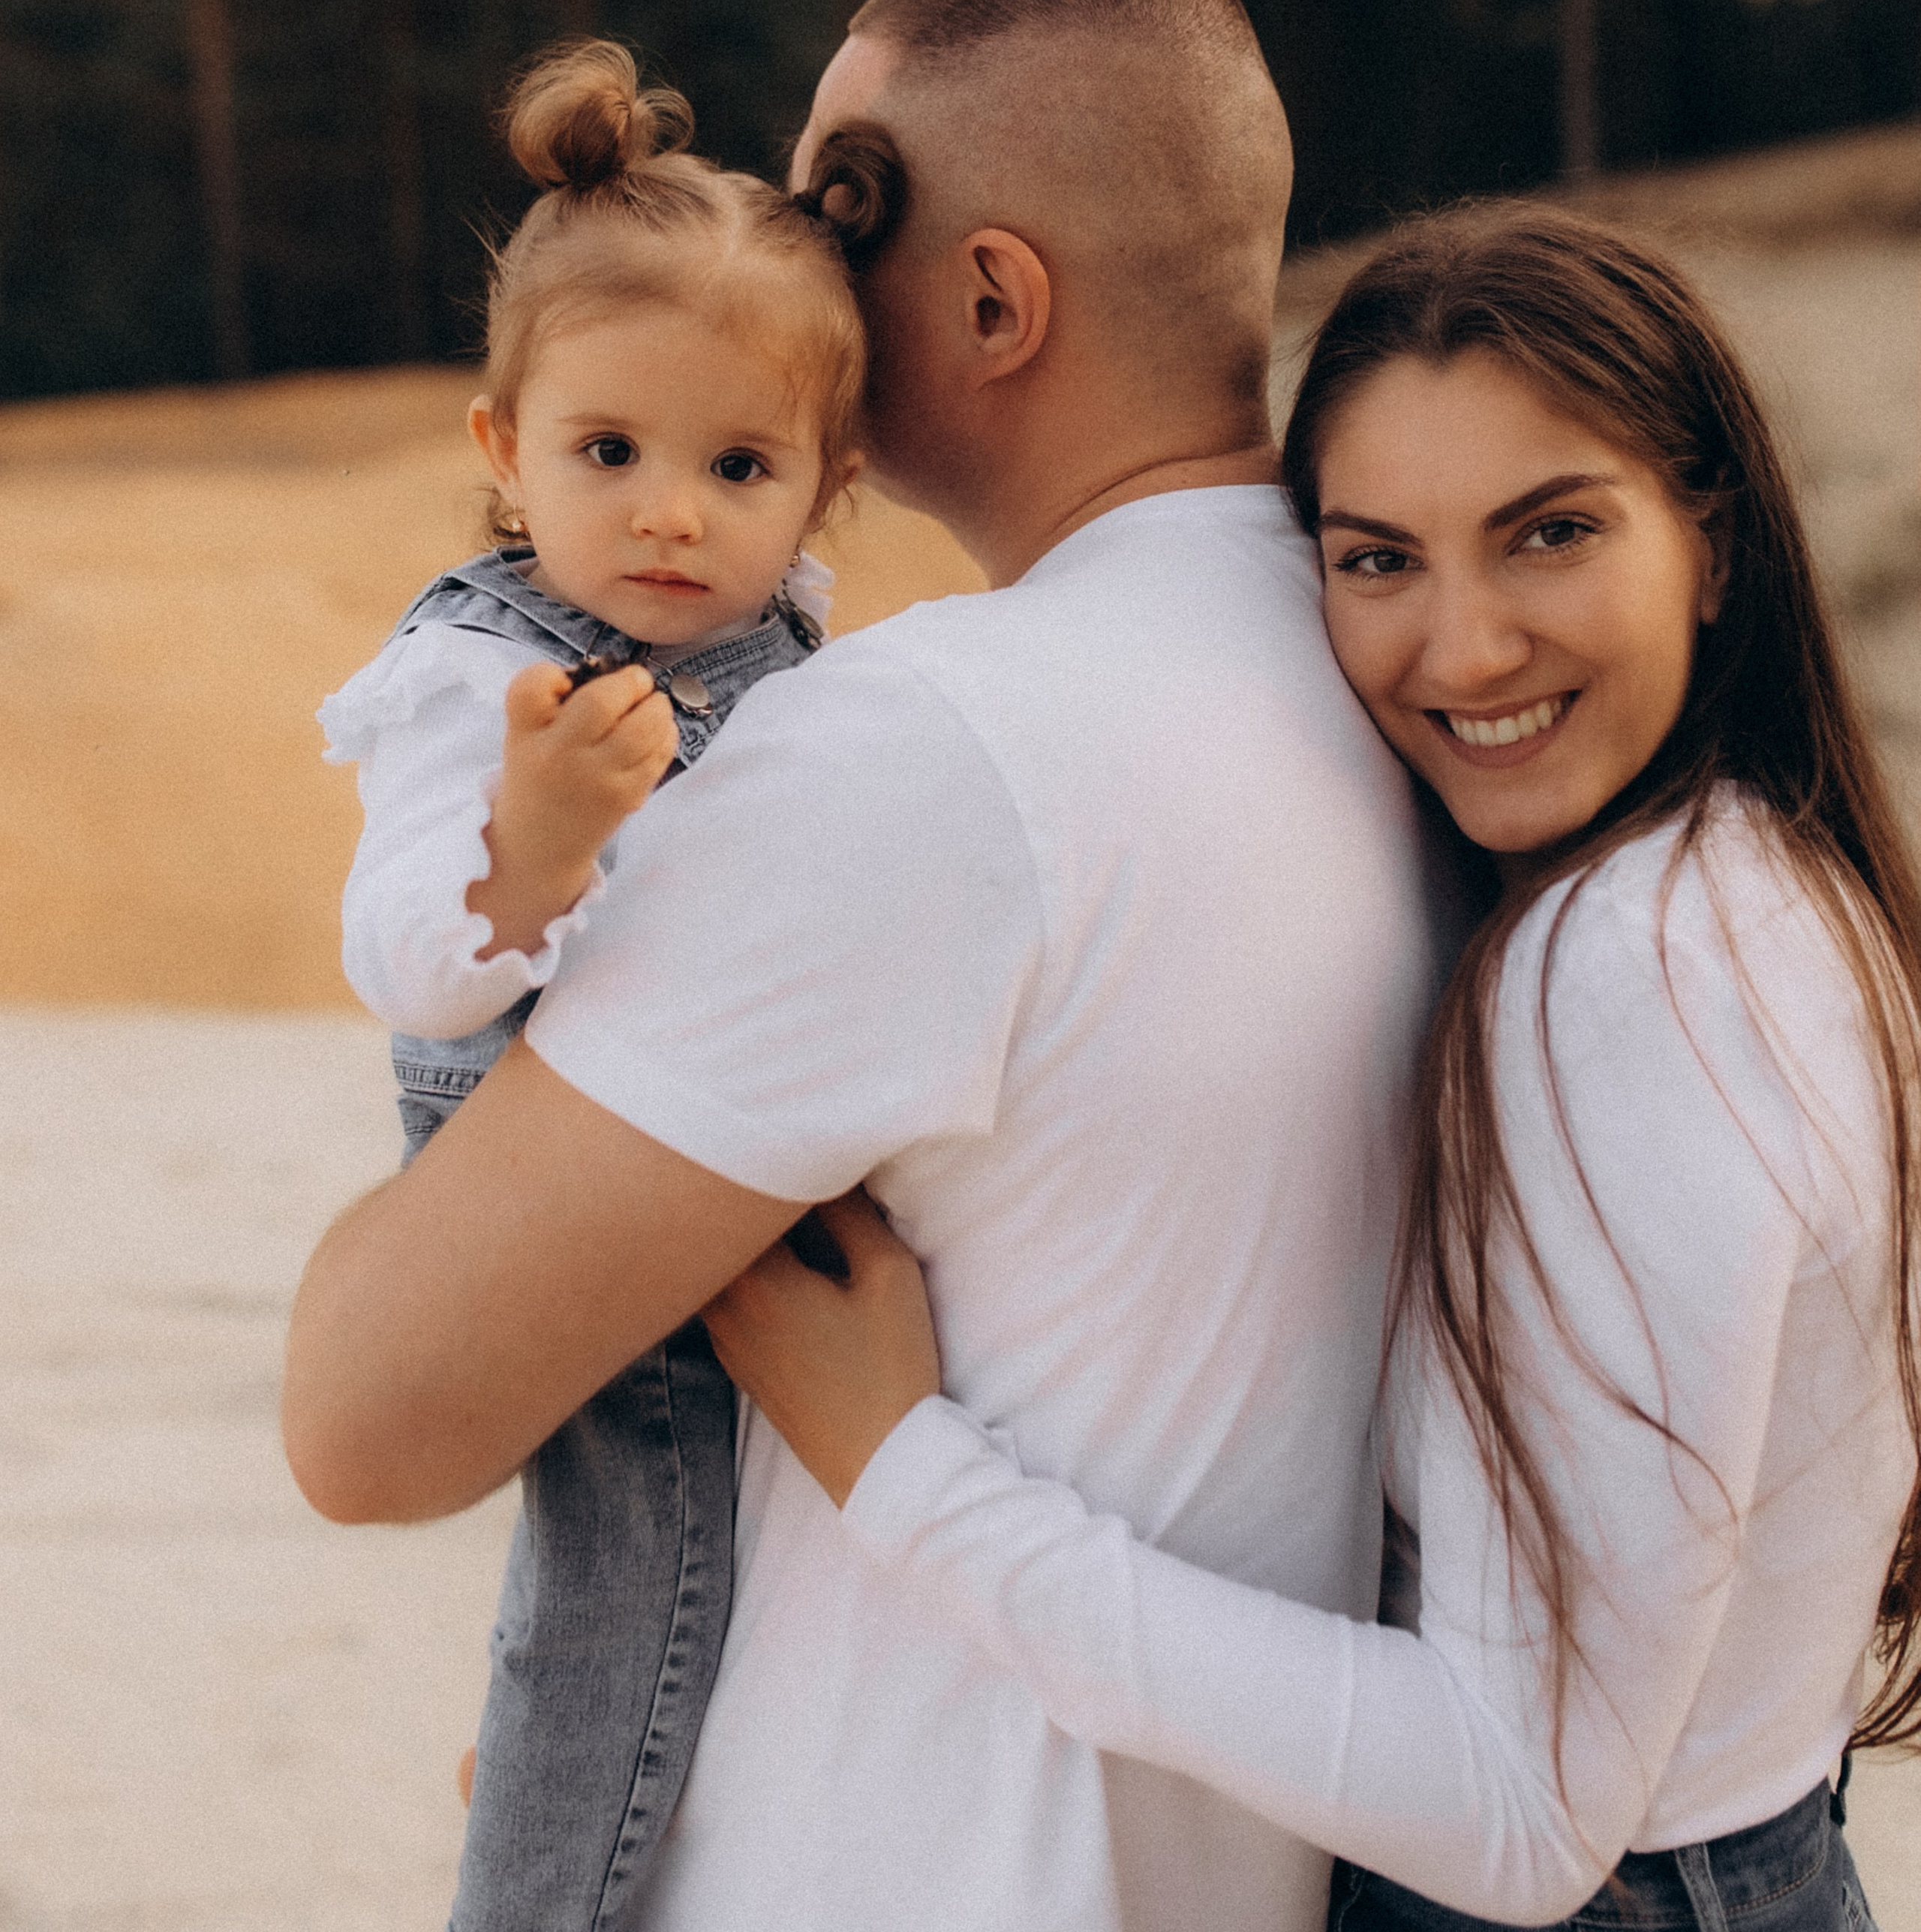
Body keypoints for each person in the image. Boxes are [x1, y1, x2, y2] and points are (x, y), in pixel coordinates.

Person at [283, 0, 1451, 1932]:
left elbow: (367, 1417)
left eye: (837, 209)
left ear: (992, 298)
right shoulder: (1409, 685)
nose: (782, 257)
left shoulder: (926, 749)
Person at [706, 203, 1921, 1932]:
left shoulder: (1624, 975)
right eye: (1374, 560)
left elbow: (1520, 1814)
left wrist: (906, 1473)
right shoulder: (1774, 888)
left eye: (1549, 534)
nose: (1465, 647)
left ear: (1709, 543)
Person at [315, 38, 877, 1929]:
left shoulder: (788, 638)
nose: (667, 515)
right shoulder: (479, 676)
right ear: (504, 448)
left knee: (767, 1580)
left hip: (722, 1151)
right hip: (548, 1177)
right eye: (606, 453)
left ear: (826, 483)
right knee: (627, 1591)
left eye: (739, 467)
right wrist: (533, 842)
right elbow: (404, 963)